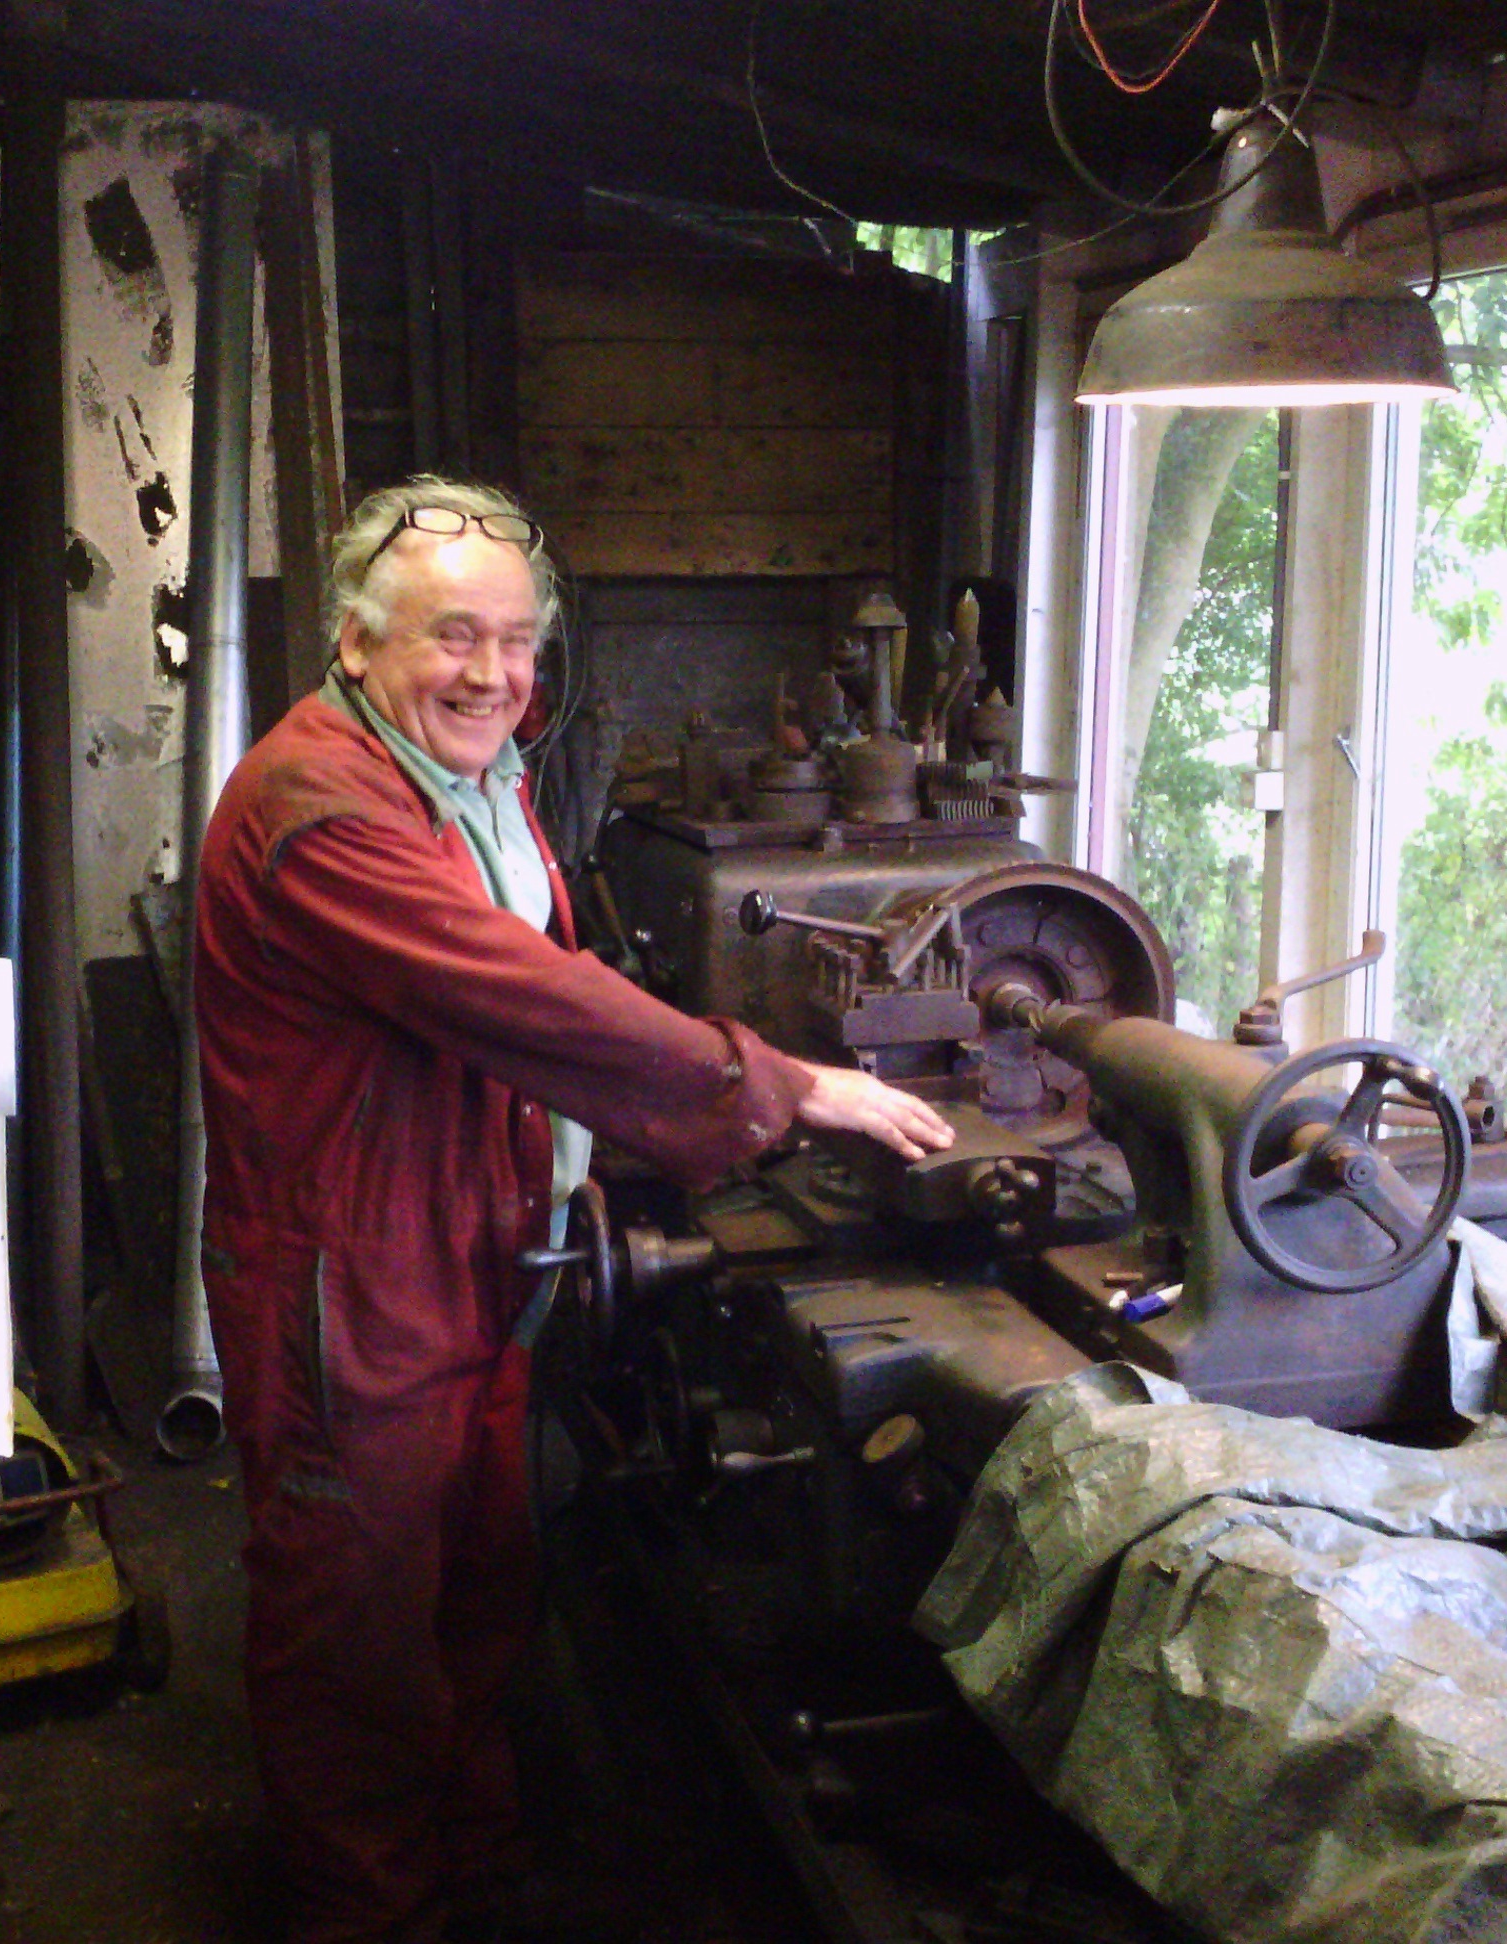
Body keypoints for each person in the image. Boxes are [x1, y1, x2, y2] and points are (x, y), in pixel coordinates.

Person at [192, 476, 953, 1944]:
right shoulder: (318, 807)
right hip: (355, 1284)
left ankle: (466, 1873)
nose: (493, 674)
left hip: (477, 1251)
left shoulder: (471, 777)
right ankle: (371, 1916)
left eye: (516, 640)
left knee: (480, 1593)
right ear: (356, 642)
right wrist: (778, 1083)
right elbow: (515, 995)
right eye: (452, 637)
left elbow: (551, 967)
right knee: (356, 1639)